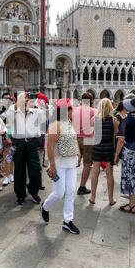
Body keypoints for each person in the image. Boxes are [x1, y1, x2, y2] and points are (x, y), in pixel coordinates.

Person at [42, 98, 80, 234]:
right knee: (59, 193)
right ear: (66, 110)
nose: (73, 112)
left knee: (70, 192)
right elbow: (50, 146)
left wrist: (78, 153)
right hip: (59, 165)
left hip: (71, 162)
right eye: (71, 110)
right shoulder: (55, 125)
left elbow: (74, 140)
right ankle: (45, 207)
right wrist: (52, 165)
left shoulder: (69, 123)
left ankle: (67, 221)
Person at [2, 92, 46, 206]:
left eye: (27, 99)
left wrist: (42, 105)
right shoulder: (14, 112)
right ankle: (20, 194)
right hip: (18, 143)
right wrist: (16, 105)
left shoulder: (36, 112)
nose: (26, 101)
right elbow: (6, 116)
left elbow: (47, 114)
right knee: (19, 170)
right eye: (23, 99)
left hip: (32, 144)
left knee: (36, 170)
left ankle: (34, 191)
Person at [88, 98, 119, 206]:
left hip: (97, 147)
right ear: (110, 107)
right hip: (109, 148)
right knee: (109, 173)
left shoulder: (94, 119)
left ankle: (93, 196)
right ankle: (110, 199)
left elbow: (92, 133)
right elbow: (114, 135)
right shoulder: (114, 120)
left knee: (95, 171)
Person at [72, 92, 96, 196]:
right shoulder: (95, 111)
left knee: (73, 163)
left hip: (75, 138)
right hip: (89, 139)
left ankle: (68, 185)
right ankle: (82, 186)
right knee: (87, 164)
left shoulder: (74, 110)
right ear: (92, 101)